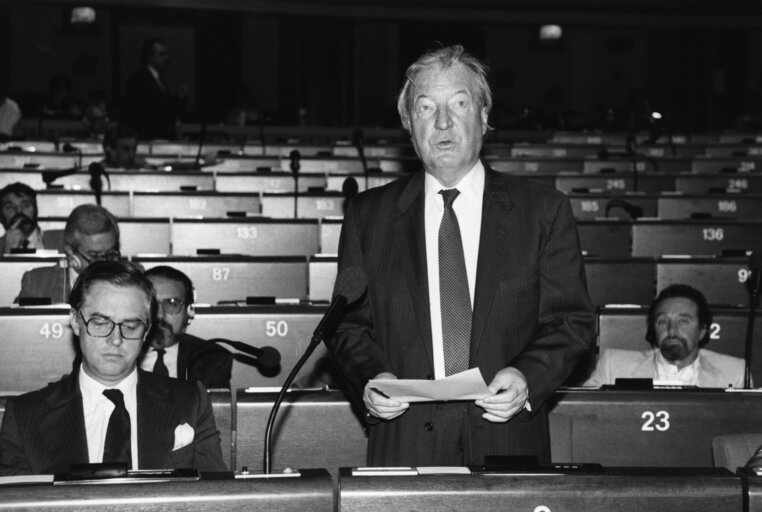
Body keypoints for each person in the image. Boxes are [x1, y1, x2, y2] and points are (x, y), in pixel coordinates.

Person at [326, 45, 595, 467]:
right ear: (408, 125)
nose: (443, 122)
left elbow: (572, 321)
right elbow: (347, 326)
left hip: (507, 441)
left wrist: (527, 377)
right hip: (405, 442)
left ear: (484, 117)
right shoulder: (367, 216)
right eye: (425, 107)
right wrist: (372, 377)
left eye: (459, 104)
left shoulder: (543, 210)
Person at [0, 260, 227, 475]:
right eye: (100, 323)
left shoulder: (190, 401)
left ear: (147, 331)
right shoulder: (24, 416)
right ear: (75, 321)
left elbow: (215, 497)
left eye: (131, 325)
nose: (116, 339)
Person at [584, 284, 746, 388]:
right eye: (662, 321)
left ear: (702, 331)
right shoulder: (615, 366)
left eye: (683, 321)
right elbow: (583, 415)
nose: (672, 330)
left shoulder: (734, 373)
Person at [140, 266, 232, 389]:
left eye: (172, 304)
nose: (160, 314)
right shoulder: (118, 351)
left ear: (189, 311)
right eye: (152, 304)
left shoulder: (212, 358)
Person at [17, 204, 120, 303]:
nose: (104, 263)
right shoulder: (37, 283)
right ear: (70, 251)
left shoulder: (131, 282)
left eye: (110, 254)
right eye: (94, 255)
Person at [120, 38, 187, 140]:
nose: (166, 58)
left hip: (159, 139)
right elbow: (142, 113)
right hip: (147, 139)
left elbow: (163, 109)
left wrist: (178, 99)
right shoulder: (139, 79)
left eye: (167, 54)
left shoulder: (160, 81)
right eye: (161, 54)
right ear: (150, 57)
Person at [0, 183, 50, 254]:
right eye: (10, 207)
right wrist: (8, 252)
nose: (19, 211)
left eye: (26, 205)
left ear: (36, 209)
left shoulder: (61, 240)